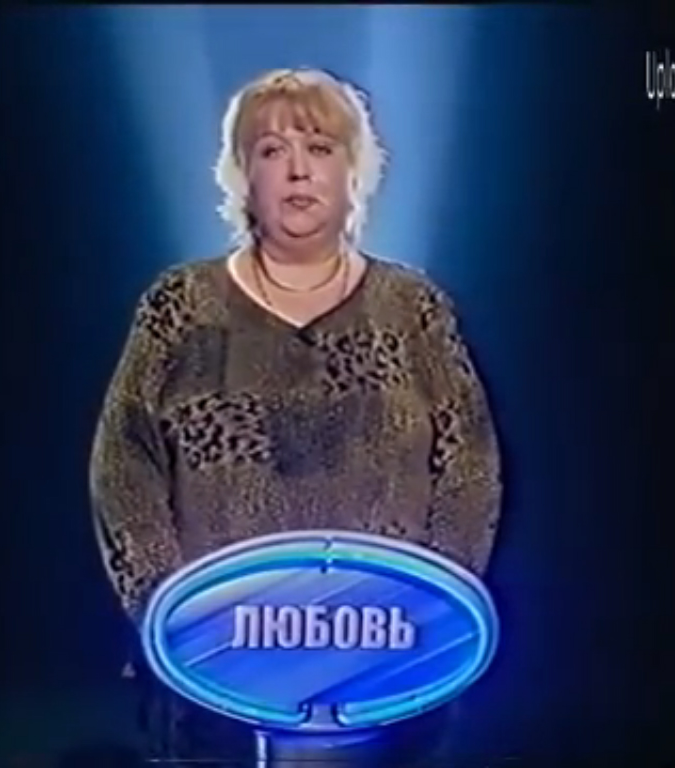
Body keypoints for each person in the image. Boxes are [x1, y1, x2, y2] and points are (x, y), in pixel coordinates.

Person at [89, 67, 503, 764]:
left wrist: (431, 613)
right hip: (216, 674)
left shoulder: (413, 309)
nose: (298, 170)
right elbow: (124, 466)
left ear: (354, 171)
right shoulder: (181, 306)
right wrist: (175, 616)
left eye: (319, 147)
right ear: (242, 175)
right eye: (272, 151)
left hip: (388, 666)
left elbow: (470, 466)